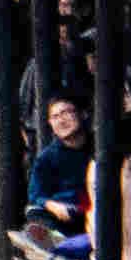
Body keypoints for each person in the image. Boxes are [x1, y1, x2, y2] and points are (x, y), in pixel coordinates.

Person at [22, 97, 93, 237]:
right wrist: (53, 206)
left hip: (96, 212)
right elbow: (36, 195)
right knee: (35, 212)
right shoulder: (47, 157)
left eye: (66, 112)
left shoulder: (99, 147)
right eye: (55, 117)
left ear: (83, 114)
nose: (61, 120)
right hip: (65, 213)